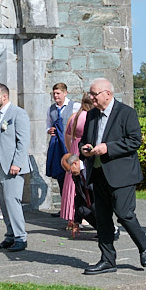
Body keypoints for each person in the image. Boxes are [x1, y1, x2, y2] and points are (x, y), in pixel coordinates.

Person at [80, 78, 146, 274]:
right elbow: (85, 141)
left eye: (94, 94)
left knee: (124, 214)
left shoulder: (126, 113)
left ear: (107, 94)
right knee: (102, 219)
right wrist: (84, 149)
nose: (91, 98)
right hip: (98, 173)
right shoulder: (91, 115)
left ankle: (143, 243)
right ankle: (108, 260)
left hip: (122, 175)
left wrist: (108, 148)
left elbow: (135, 141)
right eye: (90, 94)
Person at [0, 83, 30, 251]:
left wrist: (17, 163)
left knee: (12, 201)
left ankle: (21, 237)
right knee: (4, 204)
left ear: (4, 96)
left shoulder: (18, 113)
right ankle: (10, 235)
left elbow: (23, 141)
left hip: (12, 167)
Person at [60, 92, 93, 235]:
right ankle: (84, 216)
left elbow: (67, 135)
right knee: (82, 182)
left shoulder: (74, 117)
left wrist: (70, 150)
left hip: (73, 148)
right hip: (84, 150)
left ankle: (70, 217)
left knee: (71, 185)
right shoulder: (89, 117)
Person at [45, 82, 73, 200]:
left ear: (65, 93)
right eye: (54, 93)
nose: (55, 96)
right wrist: (49, 130)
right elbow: (48, 125)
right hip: (57, 146)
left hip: (70, 145)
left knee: (72, 176)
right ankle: (64, 208)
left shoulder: (74, 106)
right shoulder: (51, 109)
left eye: (58, 93)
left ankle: (76, 210)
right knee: (60, 175)